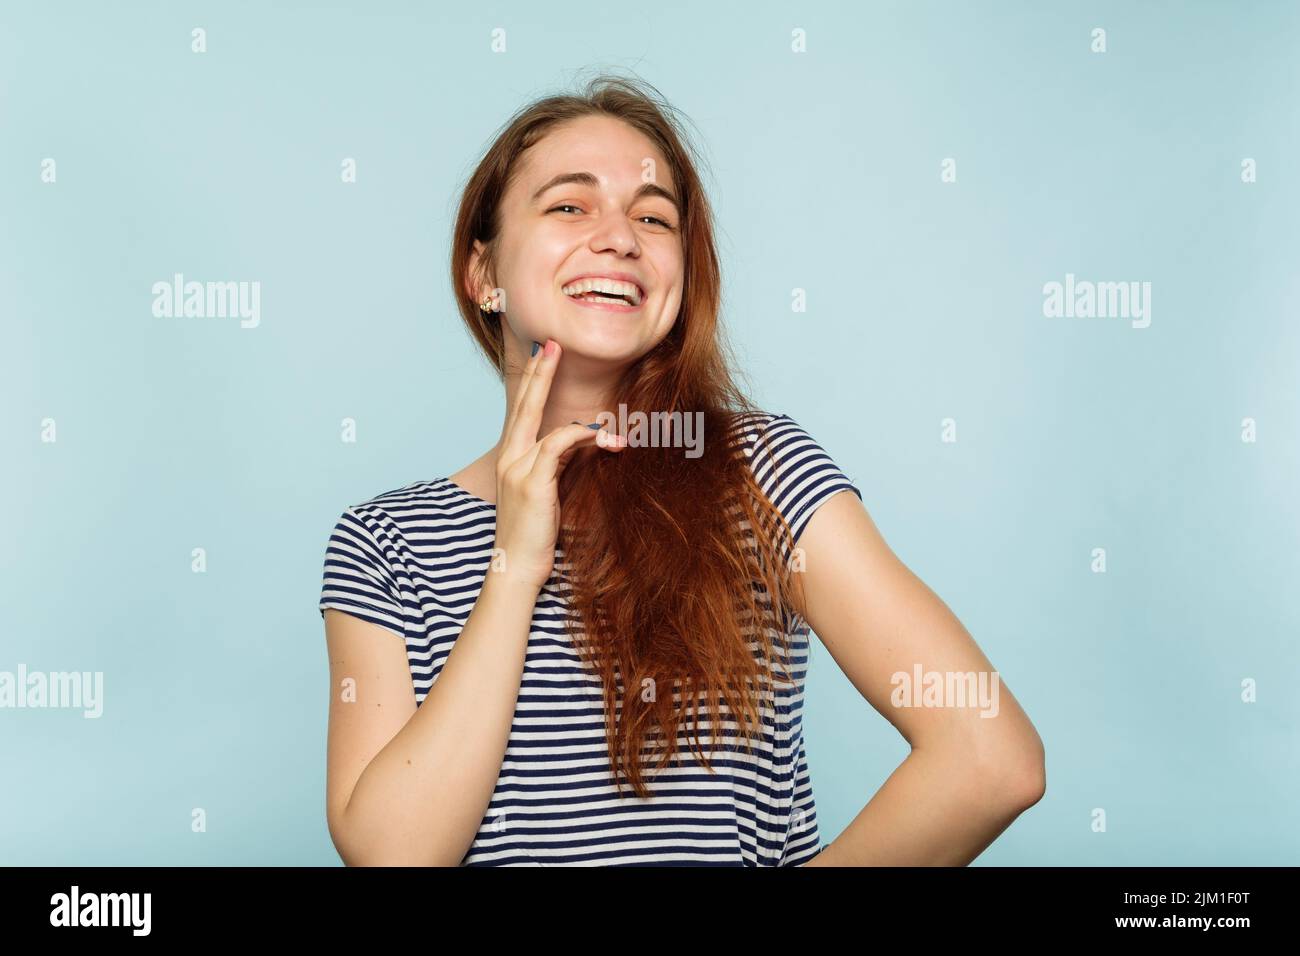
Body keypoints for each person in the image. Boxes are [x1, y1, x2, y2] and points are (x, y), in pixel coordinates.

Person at [318, 73, 1045, 867]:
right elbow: (392, 856)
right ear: (483, 273)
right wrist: (515, 565)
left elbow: (989, 756)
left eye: (653, 217)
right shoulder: (385, 541)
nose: (620, 237)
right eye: (569, 204)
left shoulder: (761, 476)